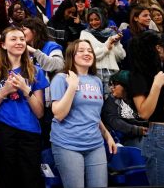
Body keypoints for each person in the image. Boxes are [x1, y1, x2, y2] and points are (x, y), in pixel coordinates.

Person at [0, 27, 49, 188]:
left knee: (30, 180)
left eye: (22, 39)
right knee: (4, 180)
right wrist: (3, 92)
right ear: (3, 45)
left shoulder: (36, 72)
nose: (19, 42)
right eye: (13, 39)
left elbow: (40, 113)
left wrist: (26, 91)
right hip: (2, 132)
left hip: (30, 133)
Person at [50, 39, 117, 188]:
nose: (87, 53)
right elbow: (59, 114)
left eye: (89, 50)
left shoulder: (96, 81)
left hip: (95, 144)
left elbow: (93, 114)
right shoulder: (61, 79)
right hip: (68, 143)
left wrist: (107, 135)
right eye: (81, 51)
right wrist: (72, 86)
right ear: (71, 56)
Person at [128, 30, 164, 186]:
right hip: (162, 136)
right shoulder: (139, 75)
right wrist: (156, 85)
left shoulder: (161, 74)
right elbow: (144, 112)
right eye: (161, 46)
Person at [79, 8, 125, 93]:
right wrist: (106, 48)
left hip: (112, 73)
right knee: (96, 101)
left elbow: (121, 56)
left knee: (110, 103)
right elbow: (88, 56)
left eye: (97, 19)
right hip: (94, 72)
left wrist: (117, 43)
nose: (93, 22)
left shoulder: (112, 33)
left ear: (102, 19)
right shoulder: (84, 34)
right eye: (91, 20)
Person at [101, 70, 147, 148]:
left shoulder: (137, 99)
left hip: (140, 135)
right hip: (119, 139)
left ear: (125, 86)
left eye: (115, 84)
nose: (112, 87)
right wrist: (136, 130)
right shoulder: (111, 100)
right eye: (111, 84)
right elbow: (114, 121)